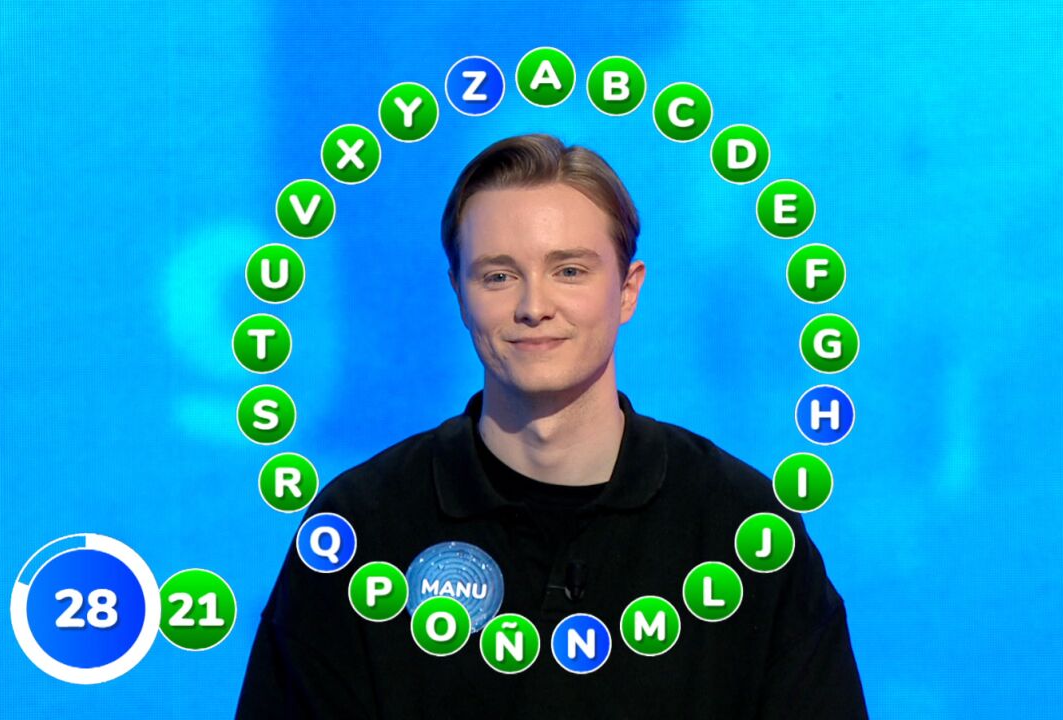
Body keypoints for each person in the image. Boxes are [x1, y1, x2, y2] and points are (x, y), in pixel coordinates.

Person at [236, 133, 868, 718]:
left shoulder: (745, 527)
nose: (534, 306)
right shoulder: (358, 527)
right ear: (458, 292)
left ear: (628, 290)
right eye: (498, 276)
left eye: (569, 270)